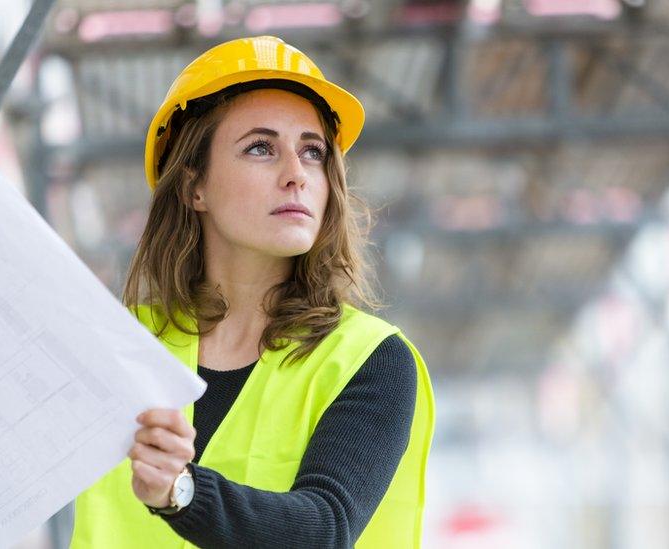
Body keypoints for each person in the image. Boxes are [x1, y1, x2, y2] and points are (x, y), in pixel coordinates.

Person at [68, 36, 435, 548]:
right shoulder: (117, 348)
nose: (296, 176)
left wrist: (183, 491)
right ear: (195, 185)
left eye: (313, 152)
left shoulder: (370, 361)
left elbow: (324, 530)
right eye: (261, 148)